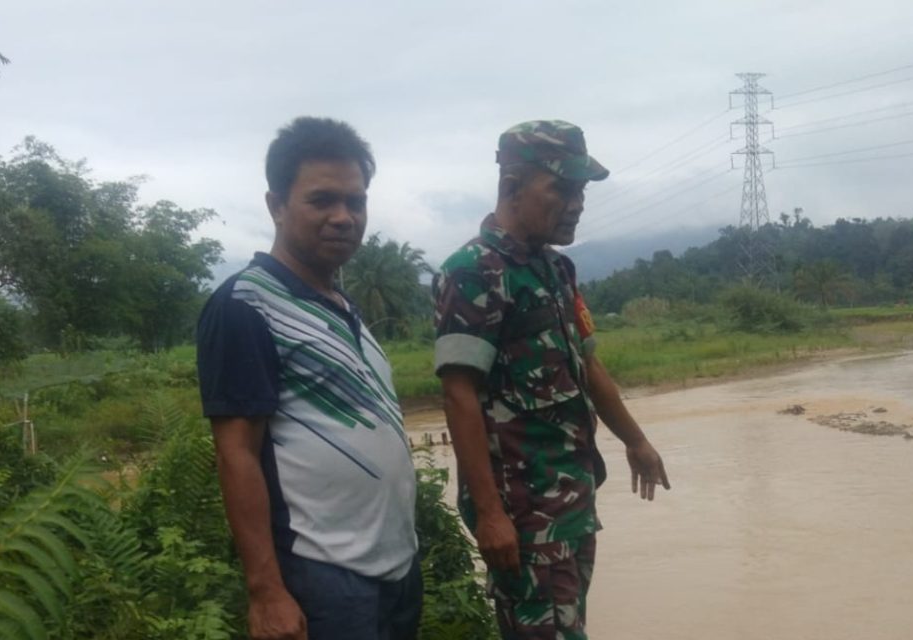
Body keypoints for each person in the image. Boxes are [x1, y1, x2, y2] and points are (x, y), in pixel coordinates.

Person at [433, 120, 670, 639]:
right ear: (513, 185)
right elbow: (459, 394)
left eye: (581, 190)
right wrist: (491, 515)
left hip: (570, 501)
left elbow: (589, 365)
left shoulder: (556, 271)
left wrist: (636, 441)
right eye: (561, 188)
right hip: (523, 515)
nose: (576, 203)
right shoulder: (474, 272)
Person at [197, 116, 420, 640]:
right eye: (322, 200)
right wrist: (266, 591)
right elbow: (237, 454)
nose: (343, 217)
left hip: (397, 569)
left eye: (356, 201)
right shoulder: (245, 305)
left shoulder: (345, 307)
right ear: (276, 205)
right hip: (322, 577)